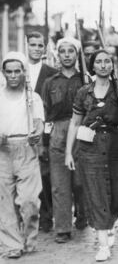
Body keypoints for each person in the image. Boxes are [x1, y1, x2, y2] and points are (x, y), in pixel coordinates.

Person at [65, 49, 118, 262]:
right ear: (93, 66)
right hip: (90, 146)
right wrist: (69, 152)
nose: (104, 65)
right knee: (96, 192)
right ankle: (103, 243)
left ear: (112, 66)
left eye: (108, 61)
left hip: (117, 144)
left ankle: (110, 222)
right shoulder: (83, 92)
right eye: (99, 62)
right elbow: (75, 122)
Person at [42, 37, 86, 243]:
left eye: (71, 51)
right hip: (58, 133)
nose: (67, 55)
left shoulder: (85, 80)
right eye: (63, 51)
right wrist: (44, 141)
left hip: (83, 132)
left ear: (77, 55)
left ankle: (83, 213)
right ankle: (62, 228)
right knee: (59, 184)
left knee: (80, 182)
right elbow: (44, 113)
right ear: (57, 55)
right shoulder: (50, 82)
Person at [0, 52, 44, 258]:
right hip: (3, 151)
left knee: (29, 201)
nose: (13, 75)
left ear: (23, 72)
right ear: (3, 73)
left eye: (17, 71)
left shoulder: (32, 97)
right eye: (9, 72)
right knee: (5, 202)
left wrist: (37, 132)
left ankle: (28, 239)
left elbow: (39, 122)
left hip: (26, 148)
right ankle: (11, 245)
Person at [26, 31, 58, 233]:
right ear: (26, 45)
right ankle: (26, 218)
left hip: (44, 129)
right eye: (33, 45)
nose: (37, 49)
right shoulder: (18, 69)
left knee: (45, 175)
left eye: (40, 45)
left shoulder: (51, 72)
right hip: (21, 128)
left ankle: (46, 217)